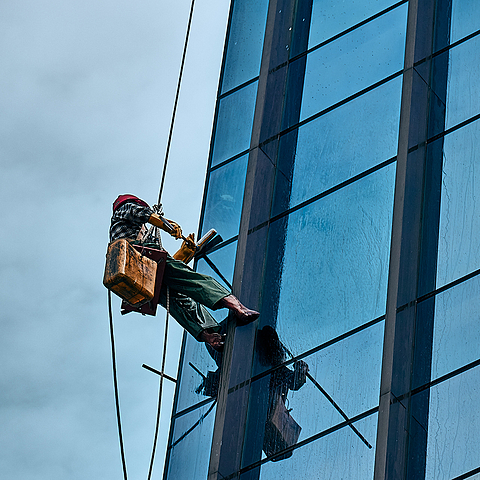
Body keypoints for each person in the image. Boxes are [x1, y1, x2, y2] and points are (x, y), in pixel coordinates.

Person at [109, 194, 259, 351]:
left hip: (141, 279)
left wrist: (184, 253)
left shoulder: (120, 243)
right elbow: (145, 215)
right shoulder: (124, 209)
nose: (144, 230)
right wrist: (170, 226)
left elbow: (167, 271)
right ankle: (238, 308)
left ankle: (211, 337)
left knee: (178, 303)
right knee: (193, 280)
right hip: (143, 261)